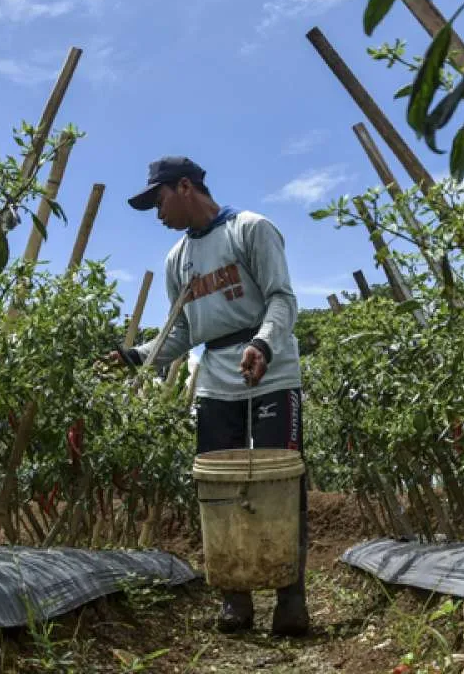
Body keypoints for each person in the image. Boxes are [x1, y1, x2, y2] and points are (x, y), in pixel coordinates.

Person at [110, 155, 309, 637]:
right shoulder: (177, 259)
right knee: (218, 488)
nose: (157, 214)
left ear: (184, 187)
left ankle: (291, 598)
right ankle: (235, 599)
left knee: (280, 484)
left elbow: (282, 298)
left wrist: (262, 344)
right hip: (217, 379)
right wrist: (136, 356)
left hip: (272, 373)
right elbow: (181, 331)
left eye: (158, 201)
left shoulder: (250, 229)